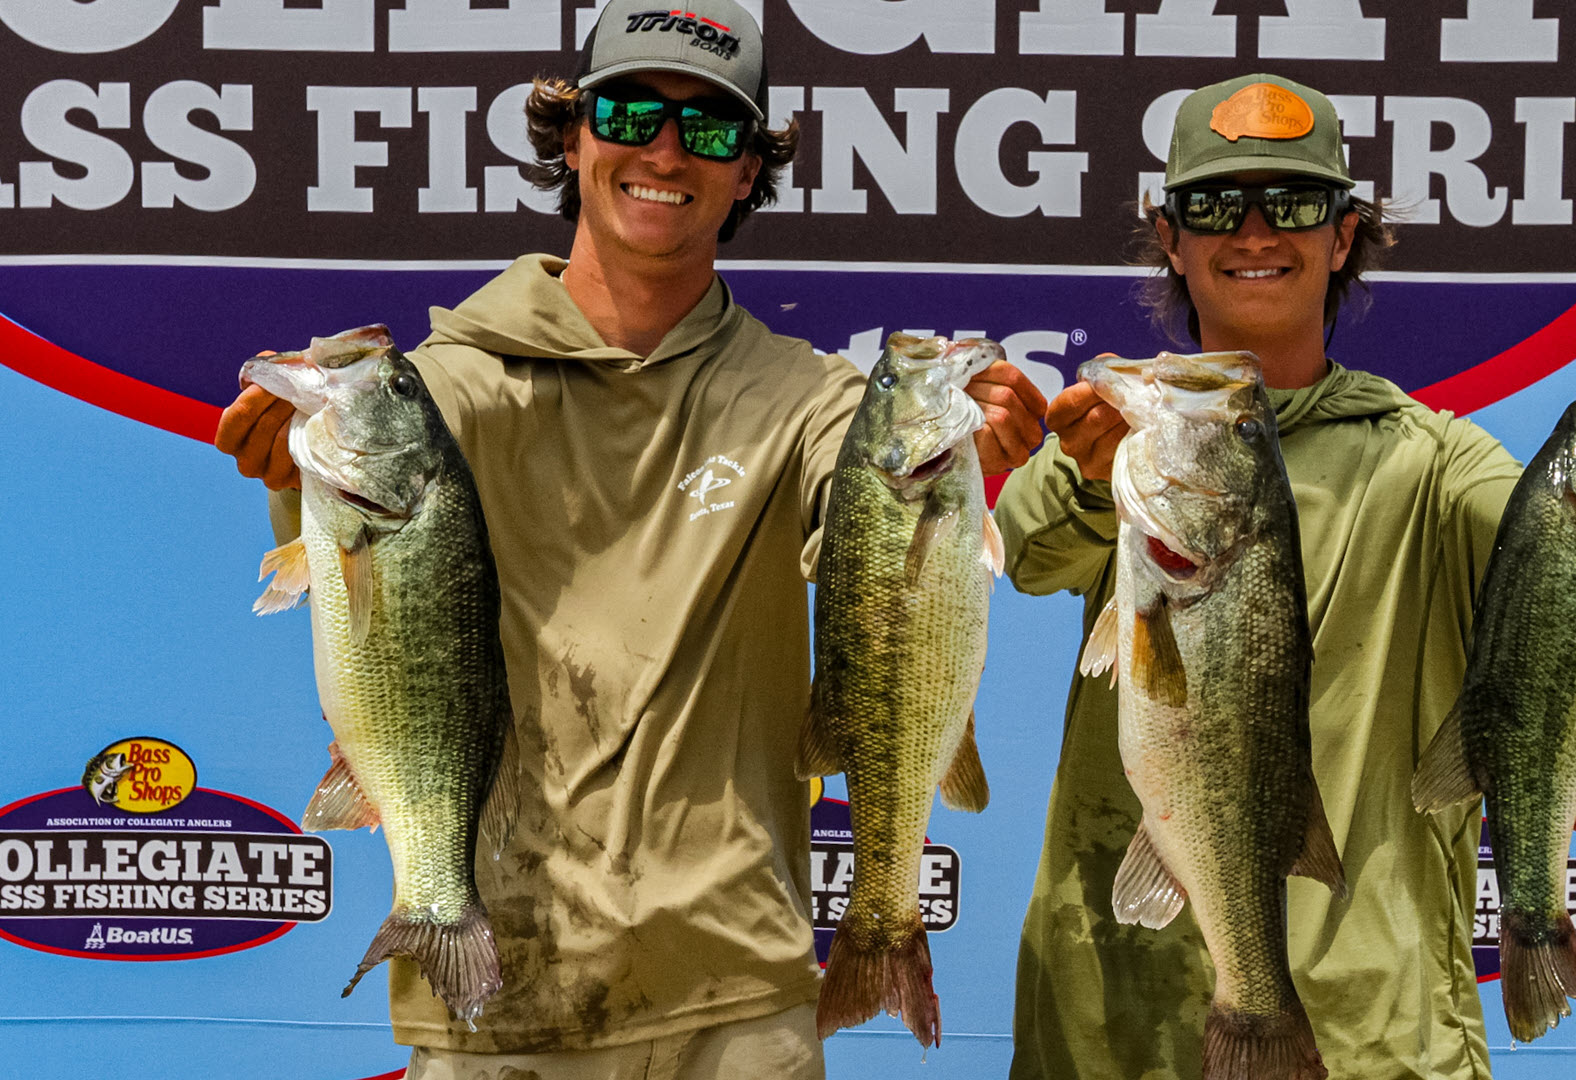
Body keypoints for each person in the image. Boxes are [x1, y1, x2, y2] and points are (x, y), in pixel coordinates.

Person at [213, 2, 1047, 1077]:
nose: (664, 149)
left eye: (709, 130)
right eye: (629, 110)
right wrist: (294, 463)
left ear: (750, 170)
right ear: (572, 136)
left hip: (737, 998)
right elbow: (364, 587)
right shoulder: (439, 392)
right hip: (496, 988)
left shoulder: (812, 397)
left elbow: (879, 535)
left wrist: (976, 457)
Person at [997, 73, 1576, 1080]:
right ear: (1169, 235)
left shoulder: (1431, 457)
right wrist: (1079, 472)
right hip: (1120, 1021)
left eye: (1290, 203)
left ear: (1342, 235)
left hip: (1371, 1028)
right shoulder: (1126, 440)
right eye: (1213, 205)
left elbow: (1547, 542)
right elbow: (1024, 554)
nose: (1252, 232)